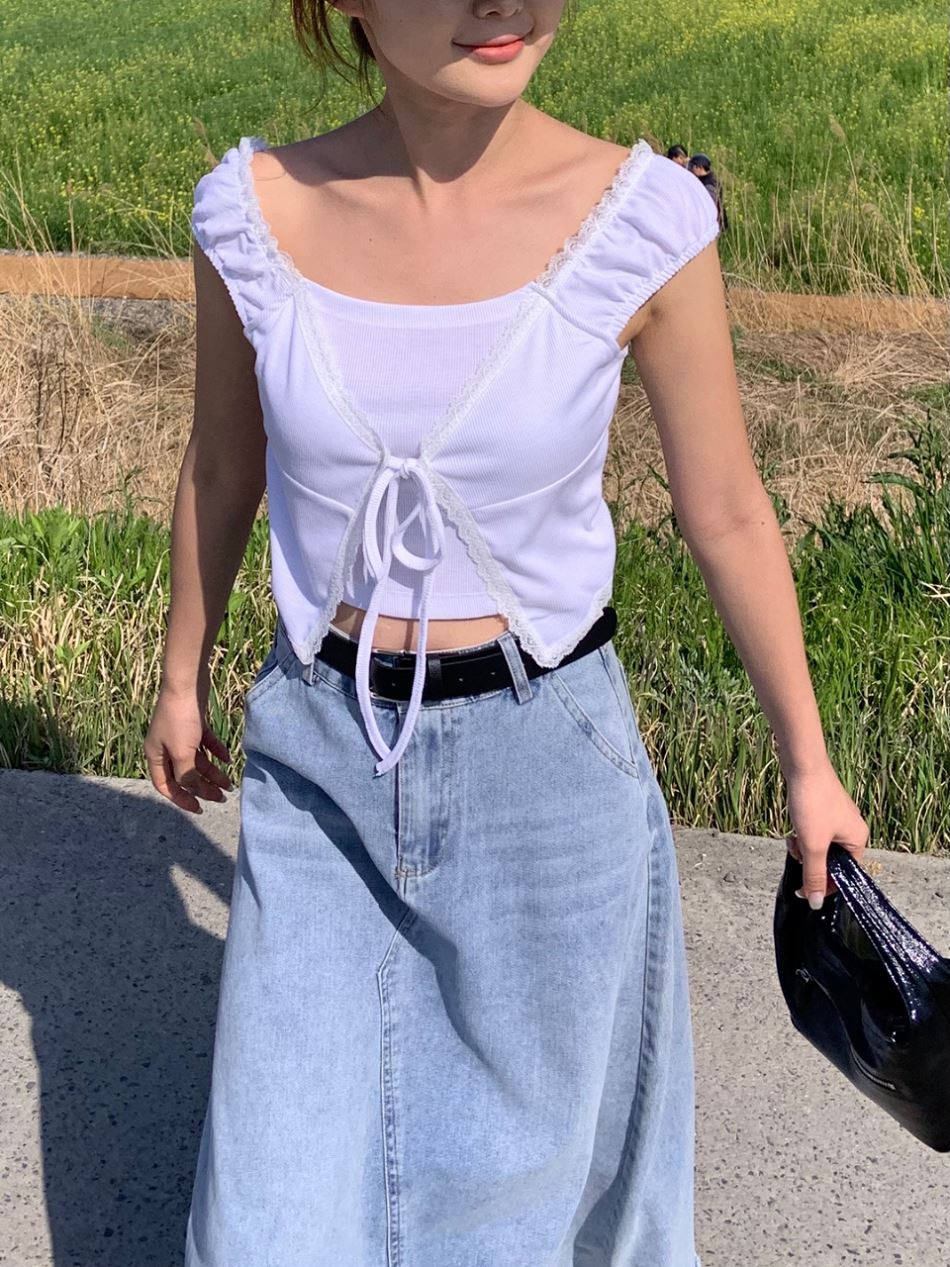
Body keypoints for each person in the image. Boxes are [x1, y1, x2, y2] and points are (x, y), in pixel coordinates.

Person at [145, 1, 870, 1263]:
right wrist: (180, 677)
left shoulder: (640, 221)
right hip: (318, 758)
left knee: (522, 1202)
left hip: (548, 773)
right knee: (269, 1213)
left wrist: (807, 766)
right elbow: (219, 467)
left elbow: (727, 511)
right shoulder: (250, 215)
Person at [688, 150, 729, 231]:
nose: (691, 170)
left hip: (714, 225)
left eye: (693, 167)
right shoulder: (708, 177)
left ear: (700, 168)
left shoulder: (709, 185)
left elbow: (708, 207)